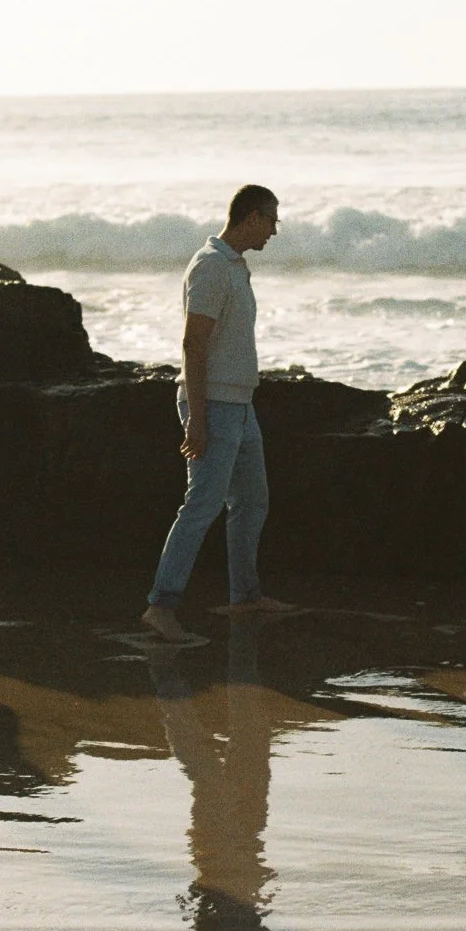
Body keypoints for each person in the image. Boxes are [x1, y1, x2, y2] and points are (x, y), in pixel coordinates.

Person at [140, 185, 296, 643]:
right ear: (251, 217)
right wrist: (198, 416)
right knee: (201, 505)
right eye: (272, 221)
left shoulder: (234, 266)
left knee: (252, 500)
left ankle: (245, 595)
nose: (274, 231)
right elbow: (193, 343)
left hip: (241, 405)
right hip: (214, 405)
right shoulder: (210, 266)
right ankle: (160, 606)